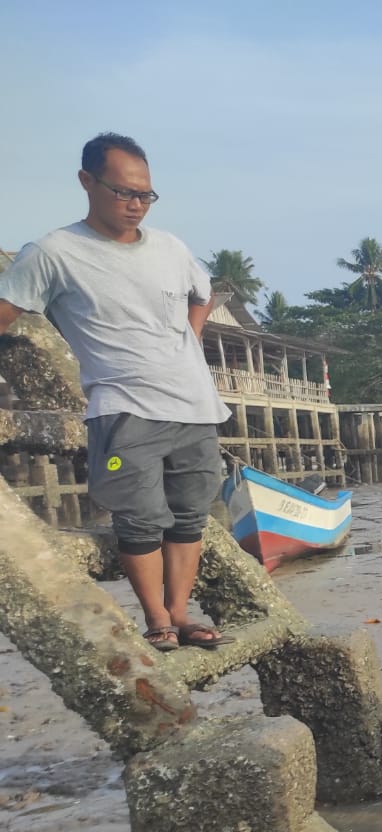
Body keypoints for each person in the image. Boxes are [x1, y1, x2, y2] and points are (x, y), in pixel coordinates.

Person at [0, 132, 232, 651]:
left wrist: (191, 337)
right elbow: (7, 310)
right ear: (87, 182)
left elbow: (204, 291)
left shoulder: (171, 247)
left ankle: (180, 611)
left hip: (195, 408)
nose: (136, 205)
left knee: (190, 516)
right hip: (125, 409)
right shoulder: (54, 253)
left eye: (145, 195)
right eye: (124, 192)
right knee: (141, 517)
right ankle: (157, 620)